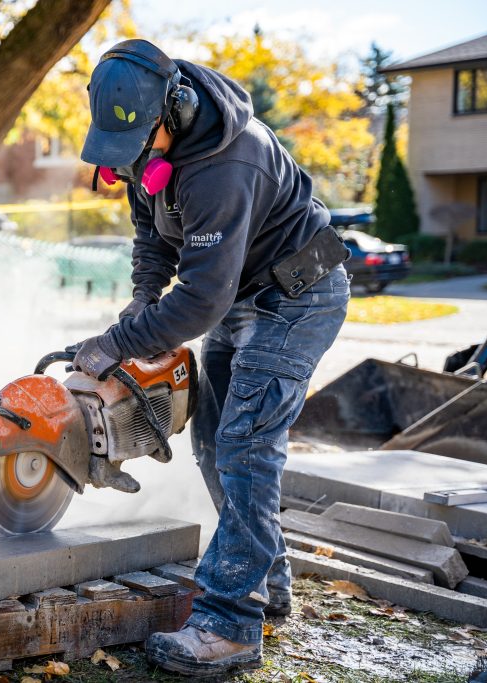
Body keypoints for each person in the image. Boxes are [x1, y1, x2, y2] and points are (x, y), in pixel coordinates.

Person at [69, 39, 351, 677]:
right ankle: (270, 581)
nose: (137, 162)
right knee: (211, 443)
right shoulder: (150, 146)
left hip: (297, 296)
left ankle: (229, 624)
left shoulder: (231, 162)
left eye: (143, 144)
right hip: (239, 295)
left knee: (246, 446)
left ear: (174, 108)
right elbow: (151, 237)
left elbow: (199, 299)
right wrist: (138, 315)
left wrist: (119, 345)